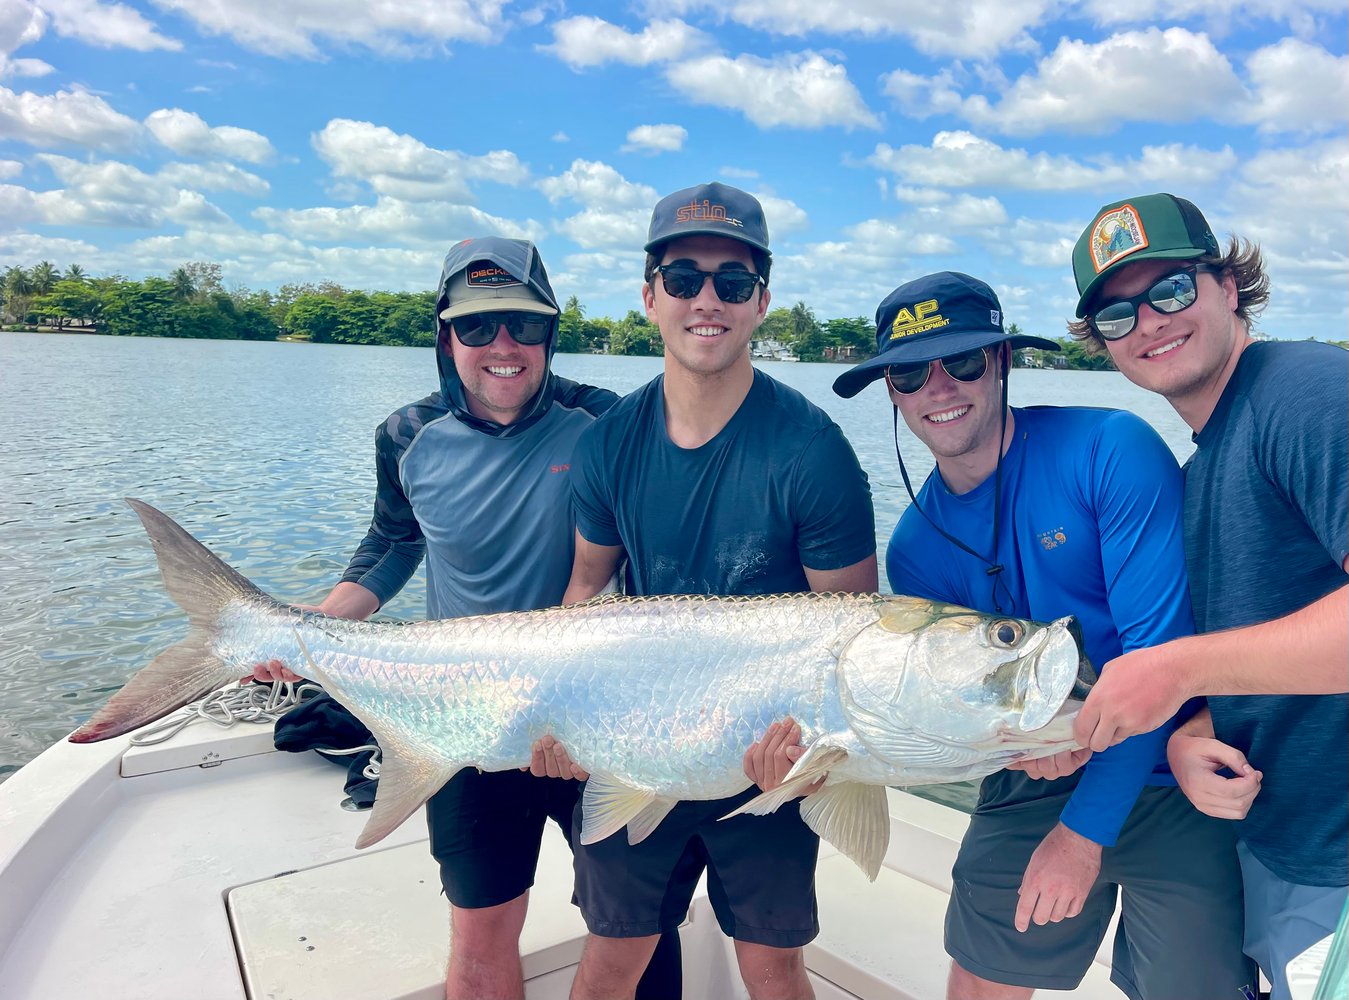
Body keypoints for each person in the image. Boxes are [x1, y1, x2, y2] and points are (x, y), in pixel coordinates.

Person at [252, 236, 680, 1000]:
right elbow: (392, 542)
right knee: (480, 935)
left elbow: (654, 557)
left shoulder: (606, 423)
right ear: (445, 335)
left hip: (599, 717)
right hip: (458, 717)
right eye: (477, 328)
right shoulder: (406, 434)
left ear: (552, 332)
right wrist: (310, 628)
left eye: (525, 325)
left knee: (637, 925)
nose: (503, 348)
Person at [829, 271, 1256, 999]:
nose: (939, 388)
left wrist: (1081, 837)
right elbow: (962, 707)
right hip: (1036, 780)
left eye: (962, 361)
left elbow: (1155, 659)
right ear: (890, 391)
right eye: (909, 372)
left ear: (1000, 362)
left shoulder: (1107, 447)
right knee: (977, 983)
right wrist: (1017, 749)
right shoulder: (913, 548)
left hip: (1171, 768)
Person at [554, 181, 878, 1000]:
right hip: (632, 738)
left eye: (732, 284)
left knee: (772, 967)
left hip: (762, 765)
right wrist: (557, 709)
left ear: (761, 301)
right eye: (684, 278)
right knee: (610, 957)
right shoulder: (607, 445)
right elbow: (585, 594)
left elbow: (850, 639)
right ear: (649, 296)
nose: (708, 300)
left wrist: (809, 755)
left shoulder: (813, 451)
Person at [1067, 193, 1348, 998]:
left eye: (1170, 290)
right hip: (1272, 849)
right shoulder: (1201, 467)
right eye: (1116, 315)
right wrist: (1190, 730)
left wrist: (1179, 670)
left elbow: (1193, 659)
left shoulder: (1306, 392)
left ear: (1228, 285)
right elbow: (1260, 644)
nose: (1148, 322)